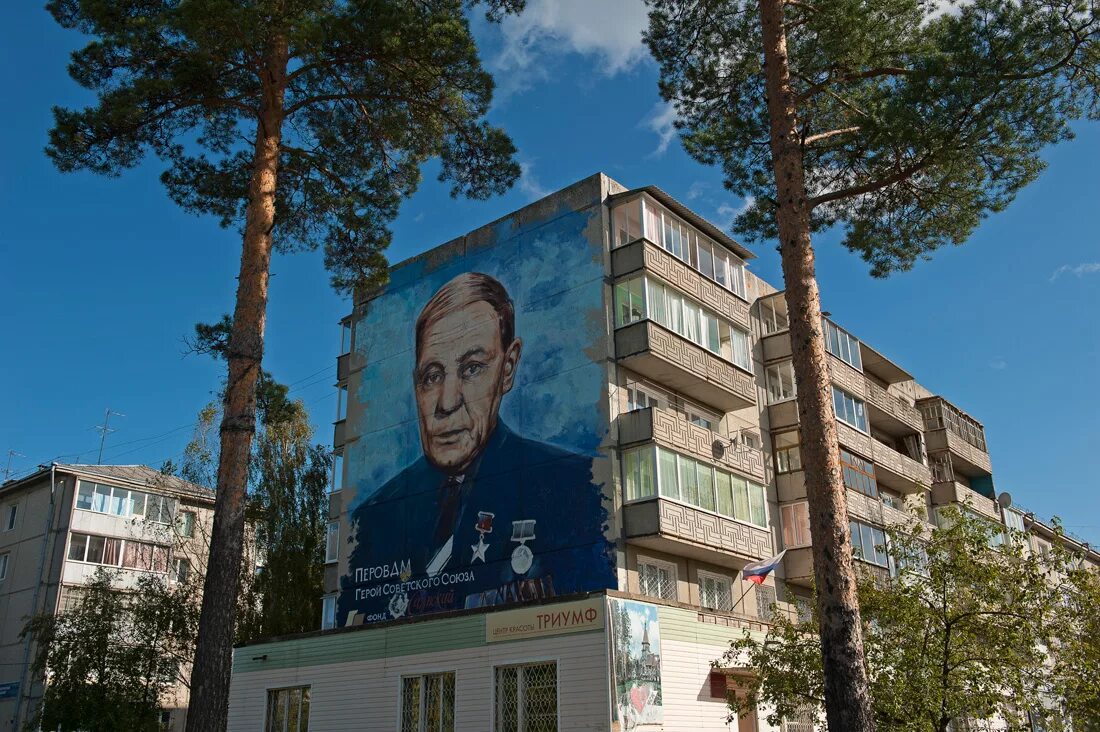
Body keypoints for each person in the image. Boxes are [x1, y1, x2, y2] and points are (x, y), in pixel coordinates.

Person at [339, 272, 612, 625]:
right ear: (415, 384)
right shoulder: (373, 520)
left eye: (471, 369)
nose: (447, 402)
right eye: (433, 376)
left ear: (508, 367)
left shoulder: (576, 488)